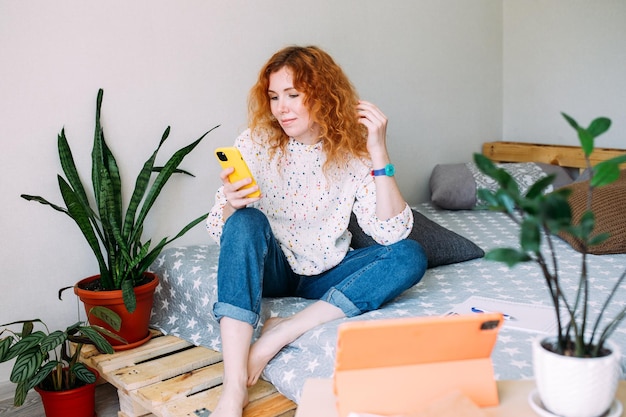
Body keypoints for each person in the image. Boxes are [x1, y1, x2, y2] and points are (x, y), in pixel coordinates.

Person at [205, 45, 427, 417]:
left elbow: (391, 233)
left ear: (323, 95)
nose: (281, 108)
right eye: (274, 97)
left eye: (293, 95)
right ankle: (232, 388)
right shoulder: (255, 142)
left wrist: (379, 152)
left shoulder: (353, 155)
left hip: (324, 272)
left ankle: (283, 330)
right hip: (272, 268)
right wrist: (231, 202)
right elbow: (219, 229)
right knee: (244, 221)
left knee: (410, 254)